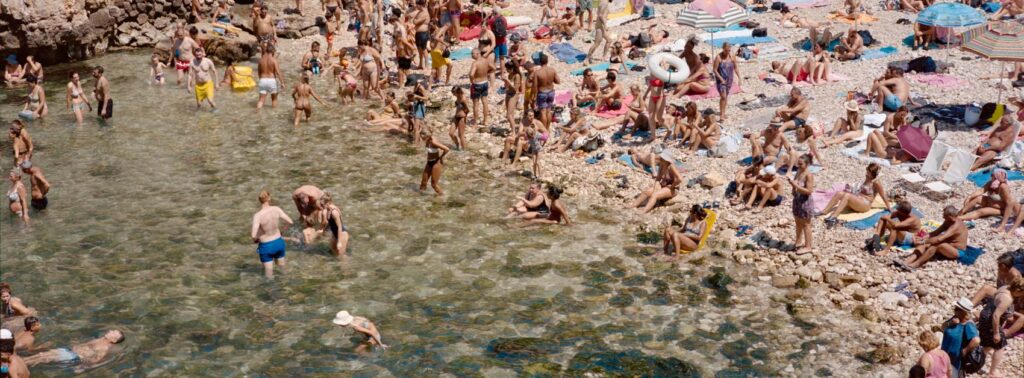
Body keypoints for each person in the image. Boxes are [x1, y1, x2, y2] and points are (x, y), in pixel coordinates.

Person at [972, 278, 1023, 377]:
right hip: (991, 320)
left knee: (988, 344)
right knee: (1000, 347)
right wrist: (996, 333)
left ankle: (975, 361)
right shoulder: (1007, 299)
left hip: (986, 314)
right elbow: (996, 316)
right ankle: (992, 372)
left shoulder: (1005, 287)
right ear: (1018, 290)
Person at [821, 163, 891, 226]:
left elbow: (883, 195)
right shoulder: (867, 177)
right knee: (839, 193)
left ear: (872, 173)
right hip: (859, 200)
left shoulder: (876, 182)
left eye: (868, 171)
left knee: (847, 196)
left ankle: (834, 216)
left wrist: (889, 207)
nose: (866, 172)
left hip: (865, 204)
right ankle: (824, 211)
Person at [23, 330, 125, 373]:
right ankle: (17, 362)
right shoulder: (100, 339)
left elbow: (96, 360)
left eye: (113, 333)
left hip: (73, 357)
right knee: (40, 355)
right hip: (68, 351)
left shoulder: (104, 347)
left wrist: (82, 368)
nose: (111, 331)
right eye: (113, 330)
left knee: (42, 358)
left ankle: (14, 365)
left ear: (114, 340)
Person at [902, 206, 969, 270]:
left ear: (950, 217)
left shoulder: (955, 226)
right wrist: (922, 238)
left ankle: (916, 264)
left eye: (944, 216)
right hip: (948, 245)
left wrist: (924, 241)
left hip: (957, 251)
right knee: (925, 244)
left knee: (936, 245)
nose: (943, 217)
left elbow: (939, 239)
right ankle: (907, 262)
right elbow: (935, 232)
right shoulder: (948, 221)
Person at [251, 191, 293, 278]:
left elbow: (253, 235)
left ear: (259, 200)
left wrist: (256, 240)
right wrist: (282, 231)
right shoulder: (277, 209)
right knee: (283, 270)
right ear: (269, 198)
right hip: (279, 242)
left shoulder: (258, 216)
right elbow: (290, 222)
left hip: (266, 246)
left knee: (269, 276)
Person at [630, 149, 682, 214]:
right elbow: (658, 178)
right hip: (663, 185)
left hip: (673, 188)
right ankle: (633, 205)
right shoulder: (662, 165)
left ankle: (644, 211)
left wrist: (672, 186)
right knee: (647, 192)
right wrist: (656, 186)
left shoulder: (671, 166)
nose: (660, 158)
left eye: (662, 158)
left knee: (655, 195)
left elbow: (680, 179)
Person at [941, 298, 981, 378]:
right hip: (945, 355)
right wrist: (951, 323)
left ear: (964, 312)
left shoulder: (968, 325)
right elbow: (943, 327)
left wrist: (965, 351)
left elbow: (976, 340)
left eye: (957, 309)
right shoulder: (955, 318)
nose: (954, 310)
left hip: (956, 360)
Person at [787, 154, 816, 253]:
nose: (798, 166)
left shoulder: (809, 175)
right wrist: (792, 186)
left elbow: (809, 191)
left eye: (801, 164)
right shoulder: (799, 171)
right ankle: (798, 242)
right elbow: (795, 182)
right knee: (798, 222)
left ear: (807, 164)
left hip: (805, 201)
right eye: (798, 164)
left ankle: (808, 246)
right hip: (797, 199)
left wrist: (795, 185)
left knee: (806, 224)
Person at [712, 42, 740, 121]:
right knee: (723, 96)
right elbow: (714, 70)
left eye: (729, 50)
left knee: (726, 96)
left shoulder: (732, 56)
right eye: (726, 50)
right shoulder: (718, 57)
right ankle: (721, 115)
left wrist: (739, 77)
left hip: (729, 79)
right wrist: (721, 79)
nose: (727, 52)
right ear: (723, 49)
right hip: (721, 80)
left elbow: (736, 67)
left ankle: (723, 112)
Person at [532, 53, 559, 133]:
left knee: (543, 112)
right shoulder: (552, 70)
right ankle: (548, 128)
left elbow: (535, 86)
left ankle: (544, 130)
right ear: (547, 61)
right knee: (549, 110)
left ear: (540, 62)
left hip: (542, 93)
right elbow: (558, 81)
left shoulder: (537, 73)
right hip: (551, 92)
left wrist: (534, 96)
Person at [316, 192, 350, 256]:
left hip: (342, 234)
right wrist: (323, 230)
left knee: (341, 256)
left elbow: (339, 227)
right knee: (332, 252)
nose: (321, 206)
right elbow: (330, 223)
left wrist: (339, 242)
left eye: (323, 205)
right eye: (321, 204)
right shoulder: (328, 210)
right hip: (335, 234)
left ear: (328, 203)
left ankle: (346, 265)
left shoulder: (334, 212)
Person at [469, 49, 496, 126]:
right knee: (485, 101)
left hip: (477, 84)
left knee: (476, 104)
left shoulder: (475, 63)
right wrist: (488, 72)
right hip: (485, 82)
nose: (471, 55)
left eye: (472, 53)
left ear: (478, 53)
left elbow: (471, 74)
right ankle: (485, 121)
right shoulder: (486, 60)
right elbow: (494, 68)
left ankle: (475, 122)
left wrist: (472, 81)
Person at [257, 44, 285, 109]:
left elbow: (259, 72)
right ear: (272, 51)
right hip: (271, 80)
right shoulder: (274, 60)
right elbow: (278, 72)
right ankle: (273, 112)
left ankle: (257, 113)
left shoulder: (261, 60)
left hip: (262, 80)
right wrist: (282, 83)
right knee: (274, 99)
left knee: (261, 100)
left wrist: (261, 80)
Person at [412, 0, 430, 69]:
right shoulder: (419, 12)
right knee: (419, 49)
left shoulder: (425, 13)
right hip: (418, 33)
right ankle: (420, 64)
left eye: (417, 5)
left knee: (424, 49)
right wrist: (415, 20)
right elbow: (414, 21)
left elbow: (416, 22)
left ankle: (426, 65)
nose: (416, 6)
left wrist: (416, 20)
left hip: (423, 33)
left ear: (420, 5)